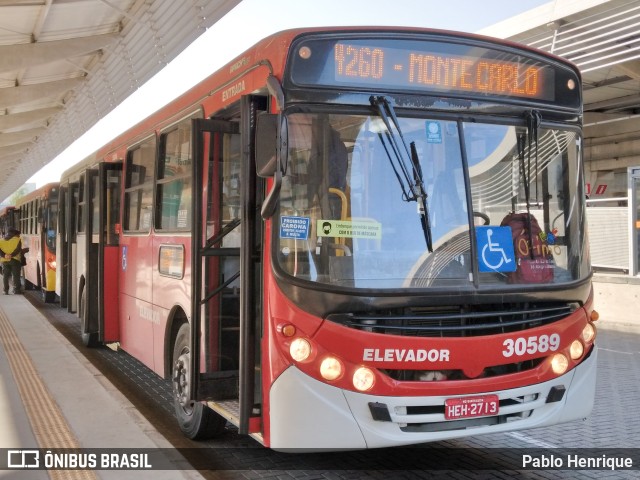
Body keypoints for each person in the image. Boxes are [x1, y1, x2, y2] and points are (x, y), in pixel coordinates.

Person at [0, 228, 23, 294]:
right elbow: (18, 250)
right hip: (15, 260)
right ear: (14, 233)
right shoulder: (17, 240)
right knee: (16, 275)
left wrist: (4, 255)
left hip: (4, 260)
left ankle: (5, 290)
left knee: (5, 276)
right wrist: (11, 255)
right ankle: (16, 290)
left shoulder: (1, 240)